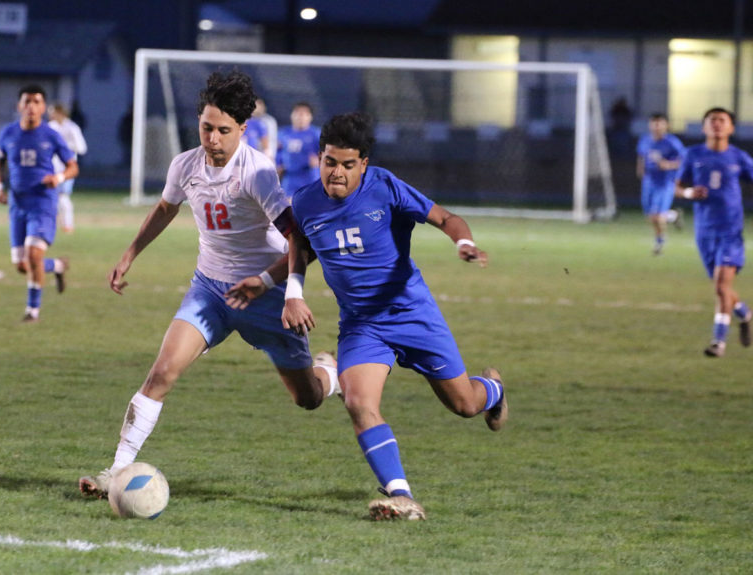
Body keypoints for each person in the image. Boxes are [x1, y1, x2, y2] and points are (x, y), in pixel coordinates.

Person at [78, 71, 340, 498]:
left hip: (265, 296)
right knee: (161, 373)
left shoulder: (256, 172)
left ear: (242, 129)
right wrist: (129, 255)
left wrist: (287, 291)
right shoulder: (185, 165)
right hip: (210, 291)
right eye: (205, 127)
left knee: (307, 398)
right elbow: (165, 209)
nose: (212, 139)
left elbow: (300, 240)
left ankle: (332, 374)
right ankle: (116, 471)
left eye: (222, 130)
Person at [280, 112, 506, 521]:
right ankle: (401, 495)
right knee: (357, 402)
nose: (337, 173)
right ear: (320, 158)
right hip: (362, 325)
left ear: (363, 164)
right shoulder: (304, 202)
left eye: (348, 165)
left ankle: (493, 390)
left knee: (464, 405)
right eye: (330, 162)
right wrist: (291, 294)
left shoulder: (385, 187)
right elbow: (300, 248)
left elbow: (446, 218)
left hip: (412, 314)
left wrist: (464, 243)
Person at [0, 85, 77, 323]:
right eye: (27, 101)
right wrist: (0, 186)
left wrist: (58, 178)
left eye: (36, 102)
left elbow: (73, 166)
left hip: (42, 202)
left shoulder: (51, 135)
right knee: (22, 264)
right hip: (17, 204)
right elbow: (0, 162)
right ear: (19, 106)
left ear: (43, 108)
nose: (31, 106)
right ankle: (58, 265)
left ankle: (33, 311)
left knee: (32, 254)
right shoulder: (8, 133)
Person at [675, 107, 753, 357]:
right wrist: (688, 193)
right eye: (712, 121)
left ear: (731, 128)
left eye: (722, 121)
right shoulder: (693, 155)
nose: (717, 125)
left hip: (731, 232)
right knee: (723, 289)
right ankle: (745, 313)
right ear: (704, 127)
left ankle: (718, 342)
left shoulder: (739, 157)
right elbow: (676, 186)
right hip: (704, 232)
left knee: (721, 287)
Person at [636, 113, 686, 254]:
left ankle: (660, 242)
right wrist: (640, 170)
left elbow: (684, 161)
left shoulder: (672, 142)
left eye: (660, 123)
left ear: (666, 125)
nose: (656, 126)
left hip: (665, 183)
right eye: (654, 123)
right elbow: (641, 156)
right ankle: (674, 215)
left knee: (657, 216)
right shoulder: (645, 140)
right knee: (650, 216)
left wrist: (668, 165)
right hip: (649, 182)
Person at [48, 103, 88, 233]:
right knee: (50, 197)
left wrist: (65, 146)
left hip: (67, 169)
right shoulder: (50, 127)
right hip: (51, 168)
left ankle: (68, 225)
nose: (51, 115)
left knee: (63, 197)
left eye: (53, 112)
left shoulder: (72, 128)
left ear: (61, 113)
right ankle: (52, 224)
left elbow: (82, 148)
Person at [276, 102, 321, 199]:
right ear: (292, 115)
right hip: (290, 178)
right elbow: (278, 152)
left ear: (310, 117)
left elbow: (327, 154)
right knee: (288, 208)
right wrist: (278, 165)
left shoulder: (316, 134)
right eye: (297, 113)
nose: (300, 117)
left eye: (304, 114)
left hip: (309, 177)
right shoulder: (283, 133)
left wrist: (319, 161)